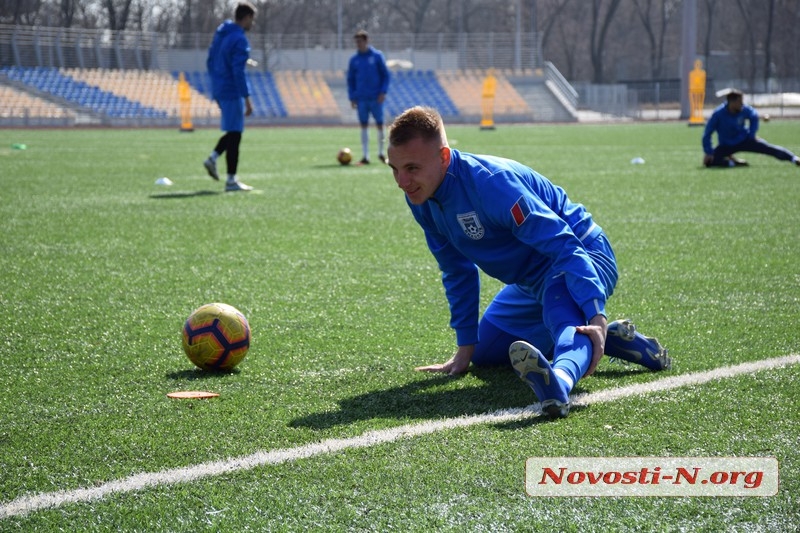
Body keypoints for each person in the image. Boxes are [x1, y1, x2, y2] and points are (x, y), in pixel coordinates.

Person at [386, 106, 670, 419]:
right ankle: (613, 340)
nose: (402, 181)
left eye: (411, 168)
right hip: (532, 281)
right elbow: (457, 271)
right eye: (394, 169)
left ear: (443, 157)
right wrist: (464, 348)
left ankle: (560, 383)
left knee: (565, 313)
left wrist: (595, 313)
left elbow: (562, 243)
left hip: (582, 254)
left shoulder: (491, 184)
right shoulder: (422, 199)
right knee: (487, 352)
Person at [203, 1, 257, 192]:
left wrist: (216, 85)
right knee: (235, 134)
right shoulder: (240, 39)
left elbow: (211, 60)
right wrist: (247, 98)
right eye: (252, 20)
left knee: (233, 131)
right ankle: (231, 180)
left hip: (219, 87)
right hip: (231, 89)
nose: (253, 24)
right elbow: (237, 72)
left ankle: (213, 158)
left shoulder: (222, 34)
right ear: (247, 17)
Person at [702, 89, 800, 168]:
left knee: (769, 148)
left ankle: (793, 158)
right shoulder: (718, 114)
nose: (742, 104)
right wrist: (709, 152)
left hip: (745, 139)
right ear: (732, 102)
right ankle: (733, 163)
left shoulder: (744, 109)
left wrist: (751, 134)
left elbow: (754, 116)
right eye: (740, 102)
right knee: (709, 162)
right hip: (726, 145)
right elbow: (707, 133)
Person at [347, 30, 391, 165]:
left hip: (376, 97)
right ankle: (365, 156)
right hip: (361, 98)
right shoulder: (354, 60)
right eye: (357, 42)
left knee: (379, 124)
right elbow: (350, 80)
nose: (358, 44)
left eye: (360, 41)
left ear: (366, 41)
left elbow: (386, 75)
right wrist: (352, 97)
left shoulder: (377, 56)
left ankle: (381, 153)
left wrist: (383, 92)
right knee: (364, 125)